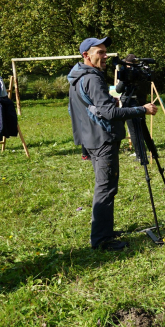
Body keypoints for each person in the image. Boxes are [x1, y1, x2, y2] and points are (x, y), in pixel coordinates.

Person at [68, 37, 158, 251]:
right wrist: (142, 109)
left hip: (92, 139)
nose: (104, 56)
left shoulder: (77, 77)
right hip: (102, 140)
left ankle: (104, 231)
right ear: (86, 55)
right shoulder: (92, 79)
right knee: (106, 188)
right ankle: (101, 240)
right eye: (99, 52)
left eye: (105, 51)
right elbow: (109, 113)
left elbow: (86, 110)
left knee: (105, 186)